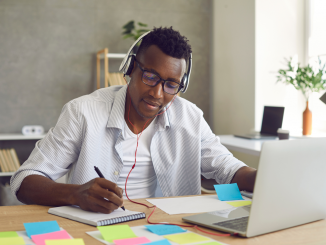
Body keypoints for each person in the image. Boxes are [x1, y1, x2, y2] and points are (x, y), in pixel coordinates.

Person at [11, 27, 256, 214]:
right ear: (130, 69)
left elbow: (226, 168)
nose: (157, 94)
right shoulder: (83, 112)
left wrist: (261, 178)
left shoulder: (190, 117)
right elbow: (24, 181)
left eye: (171, 85)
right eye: (150, 76)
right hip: (96, 229)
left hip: (168, 229)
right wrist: (76, 194)